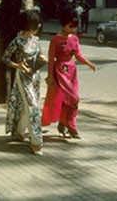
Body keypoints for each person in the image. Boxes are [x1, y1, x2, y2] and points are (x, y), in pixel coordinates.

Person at [41, 9, 97, 139]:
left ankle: (64, 124)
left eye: (75, 27)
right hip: (60, 71)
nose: (73, 29)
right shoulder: (55, 40)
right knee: (73, 99)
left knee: (69, 101)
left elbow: (78, 55)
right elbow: (51, 59)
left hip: (72, 71)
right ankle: (71, 126)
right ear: (63, 25)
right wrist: (50, 76)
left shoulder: (75, 38)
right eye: (70, 26)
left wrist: (89, 63)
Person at [2, 9, 47, 156]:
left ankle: (19, 131)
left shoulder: (36, 40)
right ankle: (36, 142)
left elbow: (39, 55)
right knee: (33, 107)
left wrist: (43, 59)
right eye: (35, 25)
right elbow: (5, 58)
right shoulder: (17, 41)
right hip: (23, 77)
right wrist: (18, 66)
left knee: (24, 105)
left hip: (35, 77)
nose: (38, 27)